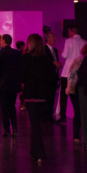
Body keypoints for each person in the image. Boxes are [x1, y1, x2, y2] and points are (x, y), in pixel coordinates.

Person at [21, 34, 55, 163]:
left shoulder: (26, 58)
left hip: (30, 95)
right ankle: (34, 150)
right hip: (42, 95)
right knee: (37, 124)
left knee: (34, 124)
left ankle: (39, 152)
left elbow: (22, 77)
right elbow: (51, 77)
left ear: (31, 43)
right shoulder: (47, 58)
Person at [0, 34, 23, 137]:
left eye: (1, 40)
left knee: (4, 109)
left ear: (4, 41)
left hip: (3, 85)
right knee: (12, 107)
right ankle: (15, 129)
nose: (0, 42)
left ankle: (7, 130)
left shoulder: (0, 53)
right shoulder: (17, 53)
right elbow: (20, 68)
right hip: (13, 84)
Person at [58, 26, 87, 124]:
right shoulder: (84, 42)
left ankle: (63, 116)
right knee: (76, 96)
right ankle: (78, 115)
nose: (68, 33)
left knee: (64, 95)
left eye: (69, 31)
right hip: (79, 71)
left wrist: (62, 53)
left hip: (68, 71)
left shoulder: (69, 41)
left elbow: (65, 55)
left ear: (71, 32)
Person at [65, 43, 87, 143]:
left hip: (77, 88)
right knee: (79, 111)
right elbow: (71, 74)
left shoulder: (82, 60)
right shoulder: (80, 60)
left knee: (80, 112)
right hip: (75, 89)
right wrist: (68, 87)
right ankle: (77, 135)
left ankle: (80, 135)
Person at [44, 31, 62, 121]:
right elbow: (44, 63)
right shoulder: (43, 49)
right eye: (53, 37)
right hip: (47, 78)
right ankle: (45, 116)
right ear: (48, 38)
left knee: (52, 97)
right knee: (46, 97)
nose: (54, 38)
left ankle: (49, 116)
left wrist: (58, 64)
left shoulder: (55, 50)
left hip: (54, 77)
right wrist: (53, 63)